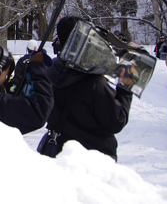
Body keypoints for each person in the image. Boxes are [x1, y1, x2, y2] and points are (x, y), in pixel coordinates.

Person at [41, 16, 134, 161]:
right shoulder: (94, 82)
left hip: (62, 155)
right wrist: (125, 89)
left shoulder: (52, 71)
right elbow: (116, 121)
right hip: (94, 159)